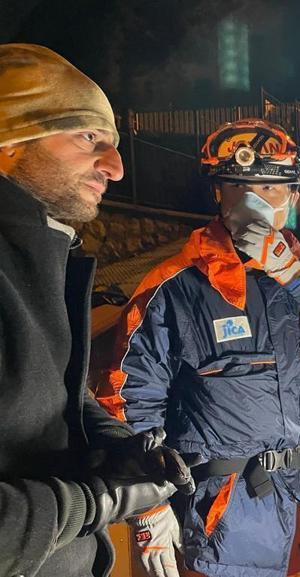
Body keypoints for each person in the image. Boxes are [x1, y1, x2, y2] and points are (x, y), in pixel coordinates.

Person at [96, 119, 300, 577]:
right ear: (219, 195)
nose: (255, 200)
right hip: (224, 516)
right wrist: (147, 505)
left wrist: (292, 271)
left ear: (293, 198)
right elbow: (126, 400)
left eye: (271, 188)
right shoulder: (175, 287)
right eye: (239, 186)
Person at [0, 44, 195, 577]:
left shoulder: (37, 257)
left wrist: (115, 447)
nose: (115, 166)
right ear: (10, 139)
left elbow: (49, 391)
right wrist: (98, 500)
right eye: (90, 139)